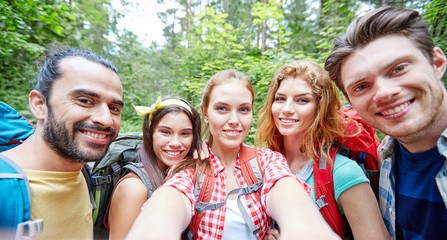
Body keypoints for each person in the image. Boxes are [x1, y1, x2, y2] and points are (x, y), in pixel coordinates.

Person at [126, 69, 339, 240]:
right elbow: (170, 200)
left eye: (243, 109)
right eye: (222, 109)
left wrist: (303, 228)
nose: (234, 120)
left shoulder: (268, 160)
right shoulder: (189, 167)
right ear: (205, 113)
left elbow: (287, 193)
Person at [325, 6, 447, 239]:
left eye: (398, 69)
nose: (383, 93)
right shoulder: (387, 158)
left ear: (437, 63)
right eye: (362, 86)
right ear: (351, 103)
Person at [256, 60, 389, 239]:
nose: (286, 109)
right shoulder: (263, 163)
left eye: (302, 100)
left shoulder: (343, 172)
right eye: (280, 99)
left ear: (321, 109)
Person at [0, 48, 123, 239]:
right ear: (40, 105)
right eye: (85, 100)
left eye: (114, 108)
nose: (106, 120)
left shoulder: (82, 173)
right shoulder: (4, 186)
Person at [106, 96, 202, 240]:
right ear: (150, 134)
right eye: (166, 132)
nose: (175, 143)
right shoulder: (133, 189)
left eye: (185, 134)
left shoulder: (185, 173)